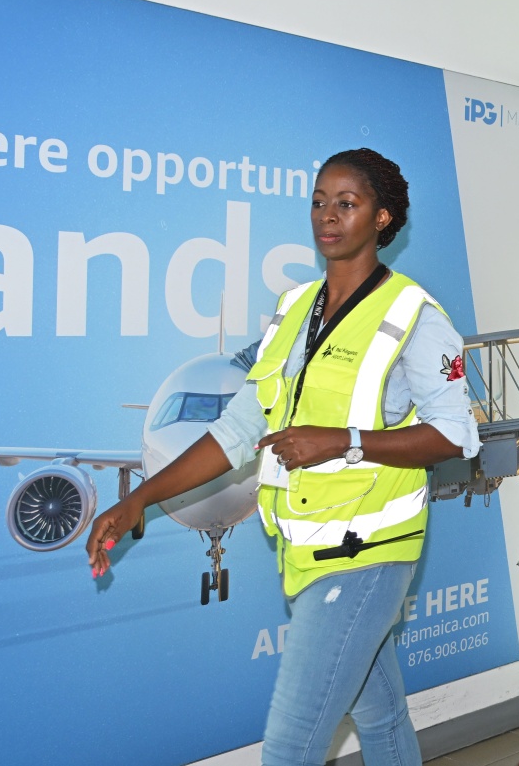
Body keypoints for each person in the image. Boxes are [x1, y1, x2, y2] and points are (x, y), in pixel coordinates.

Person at [86, 148, 480, 766]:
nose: (327, 216)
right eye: (319, 201)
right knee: (381, 719)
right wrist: (140, 497)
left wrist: (344, 440)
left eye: (346, 203)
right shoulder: (294, 310)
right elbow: (237, 430)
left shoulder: (415, 317)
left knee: (289, 747)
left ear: (382, 218)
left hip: (369, 554)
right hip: (306, 554)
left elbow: (457, 437)